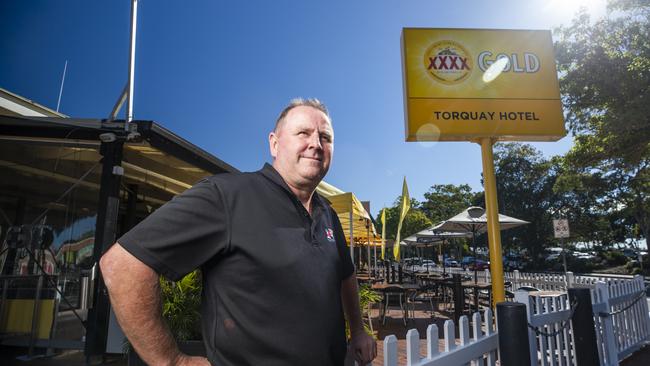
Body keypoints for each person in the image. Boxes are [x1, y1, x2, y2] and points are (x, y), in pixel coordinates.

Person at [100, 98, 376, 366]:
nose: (316, 144)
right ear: (274, 143)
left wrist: (358, 329)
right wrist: (171, 360)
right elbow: (122, 265)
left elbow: (345, 273)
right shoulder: (227, 196)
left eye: (326, 138)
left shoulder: (327, 212)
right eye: (303, 133)